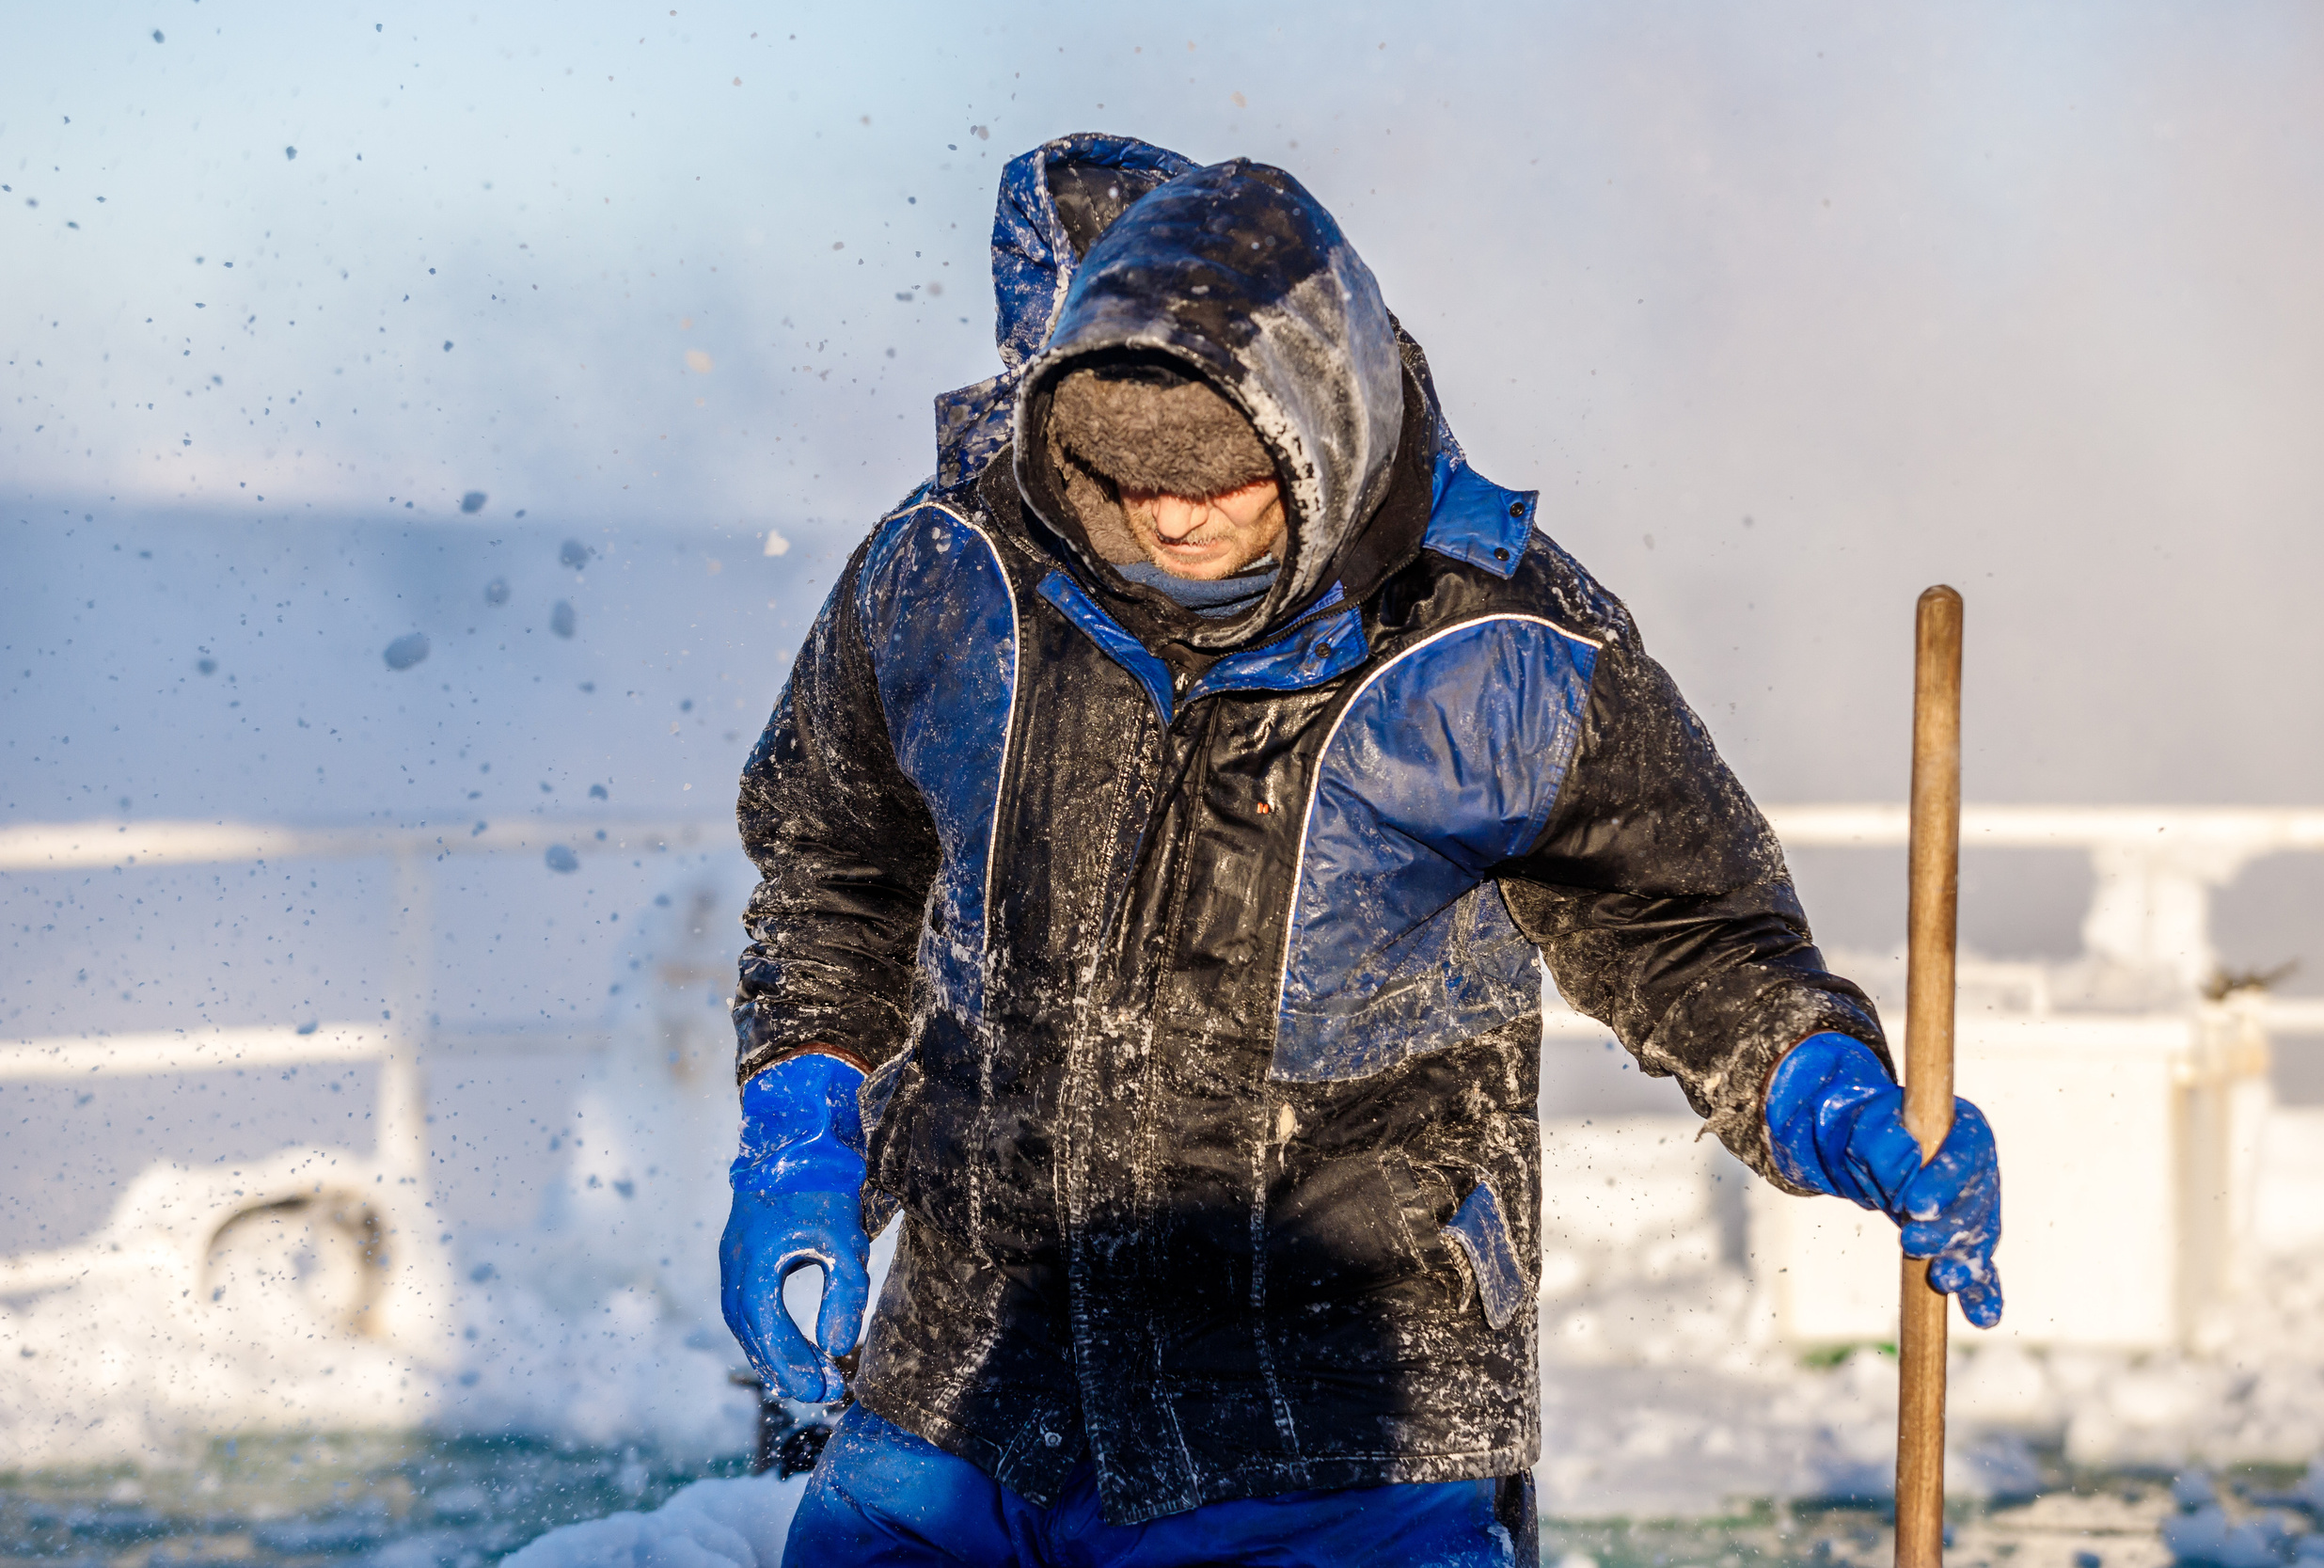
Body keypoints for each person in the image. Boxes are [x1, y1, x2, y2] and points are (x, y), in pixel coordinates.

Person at [720, 133, 2002, 1568]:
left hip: (1337, 1446)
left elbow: (1688, 937)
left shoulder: (1496, 646)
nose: (1174, 514)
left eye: (1222, 474)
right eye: (1127, 474)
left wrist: (1827, 1089)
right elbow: (838, 865)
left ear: (1317, 427)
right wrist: (801, 1135)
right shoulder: (948, 573)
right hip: (963, 1401)